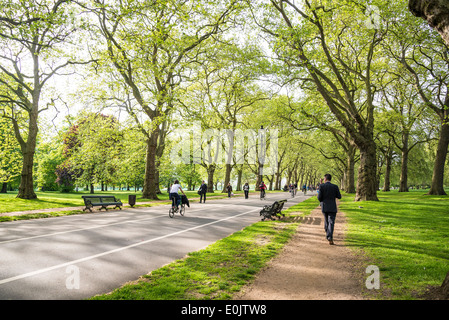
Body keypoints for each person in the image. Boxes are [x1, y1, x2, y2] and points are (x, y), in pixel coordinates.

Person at [317, 174, 342, 245]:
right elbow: (339, 196)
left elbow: (319, 197)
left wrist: (322, 201)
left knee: (326, 221)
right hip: (332, 207)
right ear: (330, 179)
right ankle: (329, 236)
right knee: (331, 222)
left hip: (324, 206)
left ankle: (328, 234)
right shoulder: (335, 187)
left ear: (325, 179)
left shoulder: (321, 186)